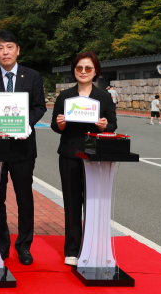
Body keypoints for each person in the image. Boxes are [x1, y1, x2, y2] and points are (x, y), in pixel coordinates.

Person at [0, 30, 46, 265]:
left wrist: (28, 123)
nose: (5, 52)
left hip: (23, 147)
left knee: (24, 197)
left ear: (18, 50)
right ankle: (1, 244)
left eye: (9, 47)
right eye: (0, 48)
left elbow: (39, 106)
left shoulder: (33, 76)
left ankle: (24, 245)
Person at [51, 51, 117, 266]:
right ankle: (72, 249)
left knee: (92, 201)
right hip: (69, 154)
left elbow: (114, 124)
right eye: (79, 68)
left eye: (88, 68)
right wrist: (60, 124)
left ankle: (91, 246)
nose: (83, 72)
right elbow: (55, 125)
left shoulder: (104, 97)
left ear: (95, 71)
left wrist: (105, 125)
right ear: (74, 71)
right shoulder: (65, 96)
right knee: (71, 202)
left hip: (94, 155)